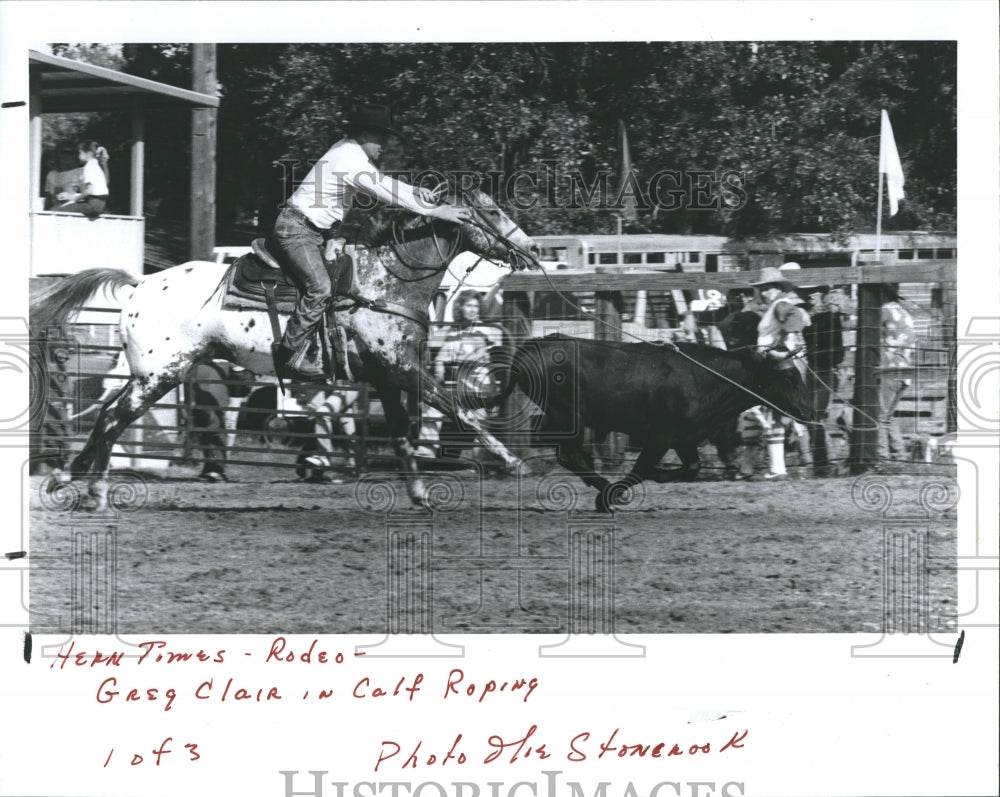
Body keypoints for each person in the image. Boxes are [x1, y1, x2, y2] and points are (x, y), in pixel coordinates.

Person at [272, 102, 471, 382]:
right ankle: (288, 356)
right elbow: (384, 190)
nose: (384, 145)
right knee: (320, 288)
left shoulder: (347, 152)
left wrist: (415, 190)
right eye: (380, 138)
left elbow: (383, 183)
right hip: (296, 231)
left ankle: (323, 347)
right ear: (364, 135)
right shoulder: (348, 159)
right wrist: (437, 211)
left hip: (307, 230)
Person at [746, 264, 811, 480]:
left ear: (774, 287)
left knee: (777, 414)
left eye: (765, 288)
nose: (762, 292)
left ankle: (784, 467)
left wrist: (787, 343)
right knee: (776, 415)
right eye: (761, 288)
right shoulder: (774, 306)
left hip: (780, 366)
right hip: (775, 365)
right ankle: (780, 468)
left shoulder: (780, 304)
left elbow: (795, 317)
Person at [418, 290, 503, 458]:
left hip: (481, 388)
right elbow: (443, 356)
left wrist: (462, 358)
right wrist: (440, 364)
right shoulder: (453, 333)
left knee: (480, 420)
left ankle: (483, 459)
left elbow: (486, 355)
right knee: (432, 406)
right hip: (461, 389)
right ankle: (426, 450)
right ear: (460, 308)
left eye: (475, 306)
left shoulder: (485, 330)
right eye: (468, 306)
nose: (472, 310)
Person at [801, 285, 846, 477]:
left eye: (815, 294)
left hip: (827, 371)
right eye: (809, 294)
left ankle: (822, 463)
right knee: (814, 415)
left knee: (817, 415)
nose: (811, 297)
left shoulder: (831, 318)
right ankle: (823, 461)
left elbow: (838, 348)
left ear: (822, 296)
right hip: (812, 370)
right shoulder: (806, 318)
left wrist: (836, 365)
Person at [878, 283, 916, 463]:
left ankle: (882, 457)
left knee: (878, 415)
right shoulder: (905, 313)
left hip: (890, 370)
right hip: (906, 371)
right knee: (888, 416)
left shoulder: (884, 311)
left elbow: (864, 325)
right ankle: (899, 455)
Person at [54, 141, 110, 219]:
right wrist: (71, 197)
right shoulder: (96, 166)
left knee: (59, 211)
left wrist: (74, 199)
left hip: (92, 204)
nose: (78, 155)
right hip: (100, 204)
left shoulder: (89, 167)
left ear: (88, 154)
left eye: (80, 152)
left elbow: (89, 191)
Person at [43, 145, 83, 210]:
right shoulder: (51, 174)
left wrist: (71, 196)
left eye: (71, 153)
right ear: (58, 154)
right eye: (63, 153)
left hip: (74, 212)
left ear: (76, 155)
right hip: (55, 211)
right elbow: (48, 199)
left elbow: (89, 195)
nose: (67, 156)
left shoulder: (80, 172)